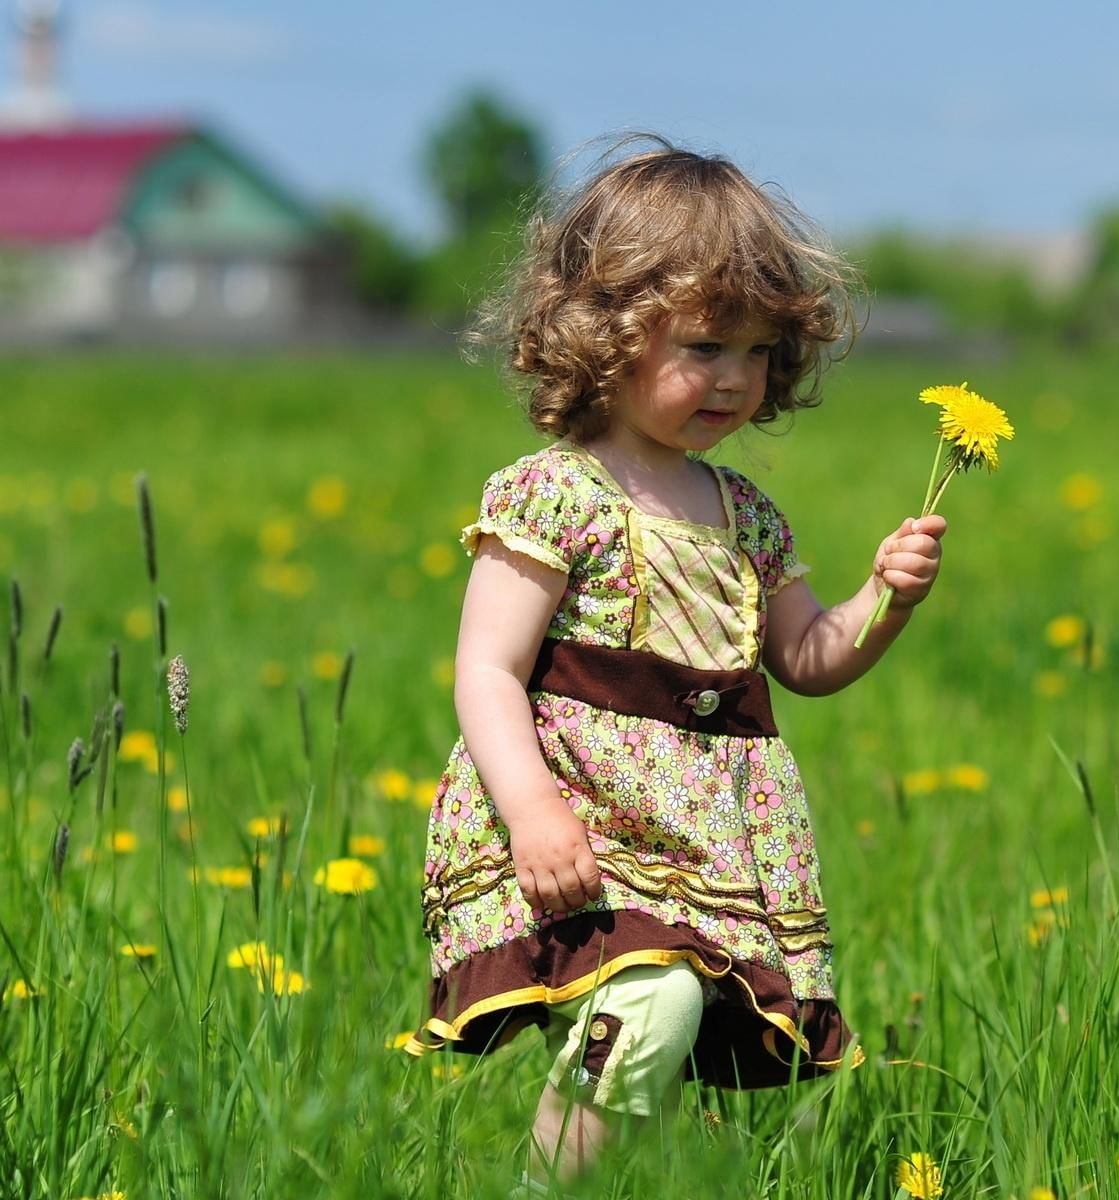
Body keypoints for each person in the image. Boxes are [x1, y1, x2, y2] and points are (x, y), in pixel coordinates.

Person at [401, 135, 948, 1194]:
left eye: (757, 353)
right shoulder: (553, 493)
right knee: (649, 1001)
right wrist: (531, 813)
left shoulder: (746, 514)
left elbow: (804, 659)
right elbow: (485, 669)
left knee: (671, 1013)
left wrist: (887, 599)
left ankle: (596, 1171)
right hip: (582, 811)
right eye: (705, 347)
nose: (734, 380)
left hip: (709, 832)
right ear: (603, 335)